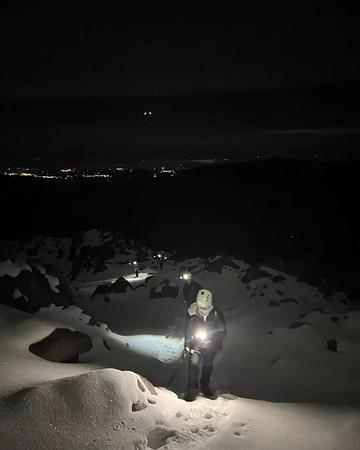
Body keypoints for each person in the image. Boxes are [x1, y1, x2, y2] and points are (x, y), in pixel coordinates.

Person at [183, 289, 226, 401]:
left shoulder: (215, 313)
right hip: (196, 344)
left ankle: (204, 386)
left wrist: (213, 341)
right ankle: (192, 390)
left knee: (207, 366)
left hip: (210, 345)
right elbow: (188, 329)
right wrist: (187, 345)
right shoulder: (192, 312)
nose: (202, 308)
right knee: (193, 366)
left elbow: (222, 330)